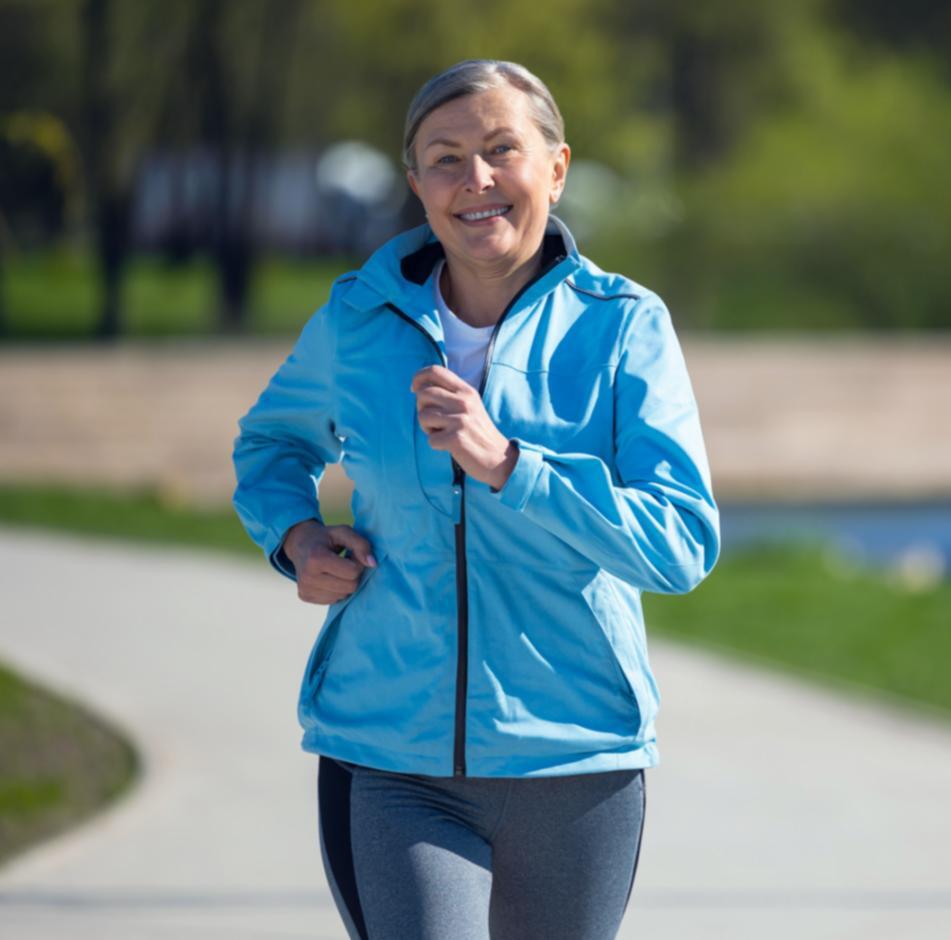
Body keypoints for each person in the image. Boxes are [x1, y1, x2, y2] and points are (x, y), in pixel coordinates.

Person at [232, 58, 720, 940]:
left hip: (577, 761)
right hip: (389, 756)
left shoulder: (624, 325)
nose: (477, 180)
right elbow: (272, 443)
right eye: (446, 159)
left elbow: (679, 543)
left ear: (557, 167)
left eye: (502, 150)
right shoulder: (358, 320)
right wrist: (297, 536)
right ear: (415, 183)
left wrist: (511, 464)